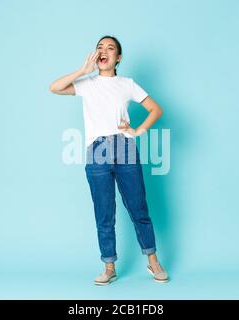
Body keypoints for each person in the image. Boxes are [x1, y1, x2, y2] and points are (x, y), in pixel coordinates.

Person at [49, 35, 169, 285]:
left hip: (124, 146)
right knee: (104, 213)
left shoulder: (127, 83)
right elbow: (55, 87)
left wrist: (137, 131)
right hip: (97, 150)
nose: (104, 51)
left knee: (139, 208)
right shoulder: (87, 83)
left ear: (118, 58)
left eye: (110, 48)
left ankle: (153, 262)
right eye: (99, 47)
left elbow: (156, 109)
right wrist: (83, 70)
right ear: (96, 55)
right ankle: (109, 266)